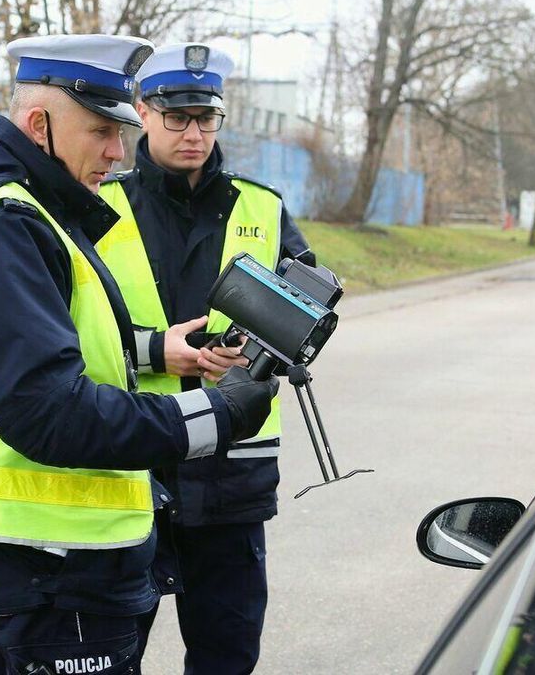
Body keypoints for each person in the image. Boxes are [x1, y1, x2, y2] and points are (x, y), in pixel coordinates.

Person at [0, 34, 278, 675]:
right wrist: (215, 415)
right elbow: (48, 408)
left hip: (30, 557)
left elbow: (61, 350)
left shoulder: (25, 209)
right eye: (101, 131)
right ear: (40, 125)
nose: (119, 152)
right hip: (51, 564)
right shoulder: (5, 225)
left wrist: (151, 349)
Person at [95, 42, 315, 674]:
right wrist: (157, 355)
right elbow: (69, 333)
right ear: (142, 110)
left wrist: (259, 357)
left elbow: (304, 321)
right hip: (132, 468)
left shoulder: (263, 207)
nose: (193, 133)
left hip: (231, 476)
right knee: (109, 656)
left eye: (207, 117)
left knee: (227, 655)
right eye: (175, 116)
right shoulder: (99, 206)